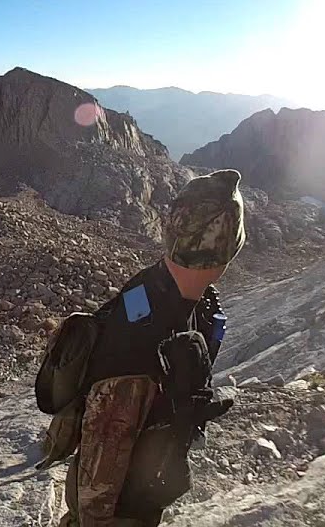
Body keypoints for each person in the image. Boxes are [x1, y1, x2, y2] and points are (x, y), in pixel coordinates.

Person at [36, 169, 246, 527]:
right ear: (224, 251)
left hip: (138, 498)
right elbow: (99, 476)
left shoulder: (165, 291)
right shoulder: (141, 345)